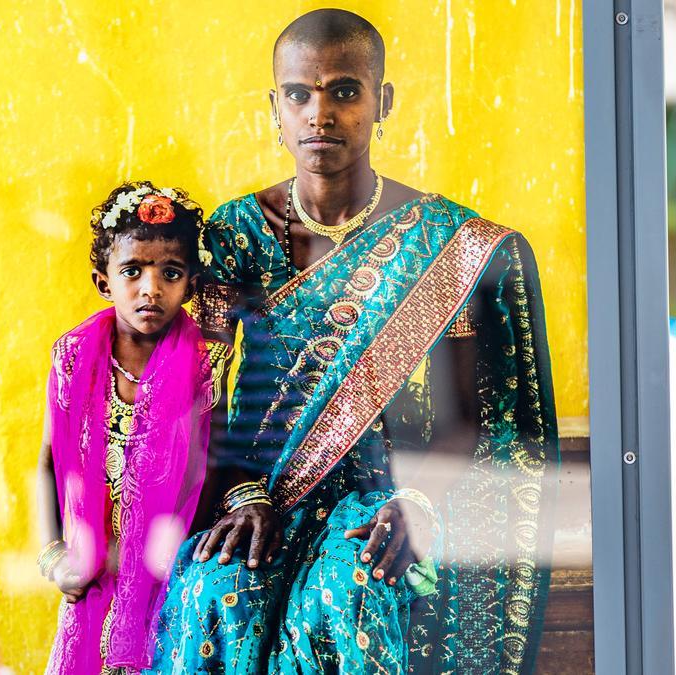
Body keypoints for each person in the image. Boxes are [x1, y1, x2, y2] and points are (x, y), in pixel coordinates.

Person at [147, 9, 558, 674]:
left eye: (344, 91)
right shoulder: (235, 235)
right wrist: (243, 494)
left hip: (384, 489)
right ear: (273, 107)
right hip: (262, 486)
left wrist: (416, 502)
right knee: (212, 586)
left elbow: (467, 421)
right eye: (299, 94)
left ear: (381, 101)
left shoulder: (440, 242)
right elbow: (202, 398)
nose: (320, 114)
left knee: (354, 588)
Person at [37, 181, 223, 674]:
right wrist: (54, 557)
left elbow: (206, 476)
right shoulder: (75, 360)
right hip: (89, 574)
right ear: (104, 282)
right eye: (132, 271)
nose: (151, 289)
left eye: (171, 272)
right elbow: (47, 465)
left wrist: (174, 568)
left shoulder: (200, 369)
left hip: (166, 579)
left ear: (191, 284)